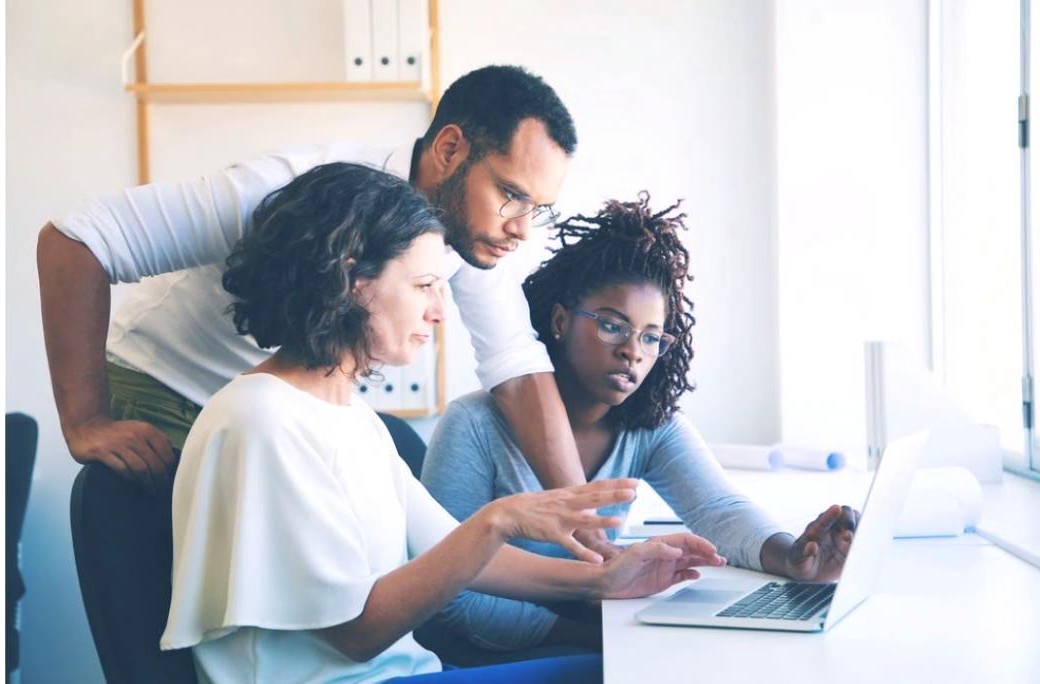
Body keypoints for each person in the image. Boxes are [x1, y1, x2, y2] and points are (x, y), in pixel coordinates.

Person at [160, 162, 725, 683]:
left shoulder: (350, 415)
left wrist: (605, 579)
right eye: (424, 285)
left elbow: (455, 552)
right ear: (353, 280)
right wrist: (497, 520)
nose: (439, 309)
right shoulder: (263, 421)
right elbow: (357, 635)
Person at [37, 65, 616, 557]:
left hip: (276, 417)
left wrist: (587, 529)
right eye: (512, 194)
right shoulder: (288, 190)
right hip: (163, 390)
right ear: (449, 150)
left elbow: (516, 365)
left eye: (536, 208)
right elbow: (77, 239)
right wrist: (85, 419)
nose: (521, 228)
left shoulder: (471, 234)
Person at [419, 194, 861, 659]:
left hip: (592, 638)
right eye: (612, 326)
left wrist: (793, 557)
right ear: (559, 320)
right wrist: (602, 637)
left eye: (651, 337)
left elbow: (719, 511)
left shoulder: (649, 426)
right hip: (497, 654)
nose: (633, 351)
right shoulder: (473, 425)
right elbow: (450, 596)